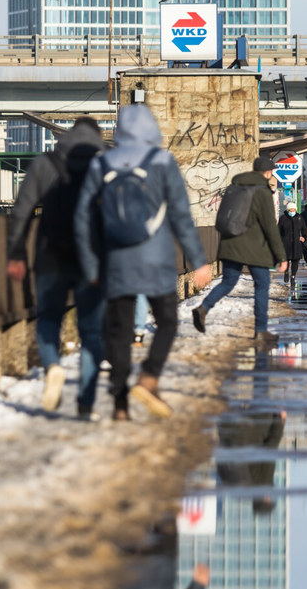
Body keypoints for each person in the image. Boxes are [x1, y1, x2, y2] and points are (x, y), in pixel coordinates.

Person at [75, 105, 211, 422]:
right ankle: (149, 377)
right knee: (166, 321)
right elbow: (180, 215)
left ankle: (120, 405)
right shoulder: (162, 162)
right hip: (157, 260)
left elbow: (83, 217)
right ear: (151, 128)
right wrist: (199, 260)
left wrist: (90, 263)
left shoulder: (101, 163)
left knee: (120, 330)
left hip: (116, 261)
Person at [6, 117, 105, 418]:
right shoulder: (105, 165)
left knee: (48, 319)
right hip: (92, 259)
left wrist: (16, 252)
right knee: (91, 332)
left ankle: (52, 366)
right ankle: (86, 403)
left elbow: (21, 211)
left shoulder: (44, 162)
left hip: (50, 254)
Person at [192, 155, 287, 343]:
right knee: (262, 285)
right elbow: (269, 226)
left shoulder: (234, 187)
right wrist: (281, 256)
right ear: (268, 173)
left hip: (230, 244)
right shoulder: (262, 192)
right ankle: (260, 331)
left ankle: (203, 308)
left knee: (228, 282)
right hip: (254, 248)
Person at [277, 201, 305, 290]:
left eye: (293, 210)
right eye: (290, 210)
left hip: (297, 244)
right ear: (288, 210)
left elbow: (304, 229)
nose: (292, 211)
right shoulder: (283, 218)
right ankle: (286, 272)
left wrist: (304, 237)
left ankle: (293, 277)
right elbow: (278, 231)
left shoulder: (300, 218)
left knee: (295, 261)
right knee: (286, 260)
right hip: (286, 243)